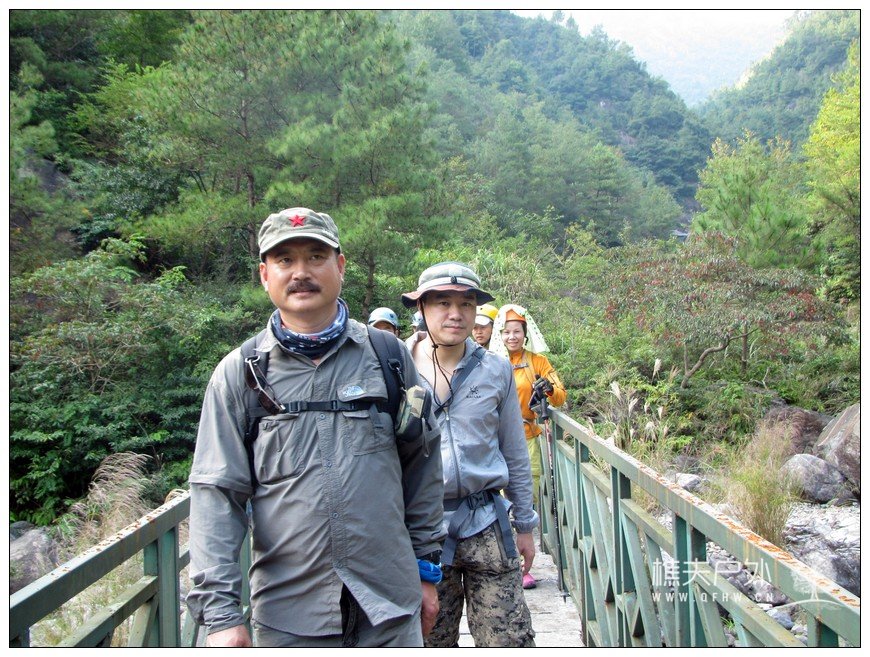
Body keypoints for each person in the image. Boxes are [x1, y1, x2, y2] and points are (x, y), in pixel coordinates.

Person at [187, 207, 445, 647]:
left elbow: (422, 465)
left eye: (316, 256)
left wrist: (425, 569)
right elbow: (217, 494)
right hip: (289, 617)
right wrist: (222, 616)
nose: (301, 272)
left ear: (340, 266)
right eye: (285, 260)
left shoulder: (388, 356)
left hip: (390, 606)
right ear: (264, 275)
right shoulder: (240, 373)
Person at [402, 262, 537, 647]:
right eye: (443, 303)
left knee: (509, 640)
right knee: (430, 641)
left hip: (487, 523)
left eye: (466, 304)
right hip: (421, 533)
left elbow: (514, 450)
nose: (456, 314)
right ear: (422, 307)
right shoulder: (396, 367)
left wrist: (525, 525)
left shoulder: (495, 369)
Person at [491, 304, 566, 590]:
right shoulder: (489, 361)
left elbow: (560, 397)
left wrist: (548, 388)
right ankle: (503, 561)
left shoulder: (538, 362)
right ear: (500, 335)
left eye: (517, 332)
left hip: (527, 436)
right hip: (494, 438)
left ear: (525, 334)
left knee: (526, 498)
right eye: (507, 332)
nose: (512, 337)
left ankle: (525, 568)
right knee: (497, 501)